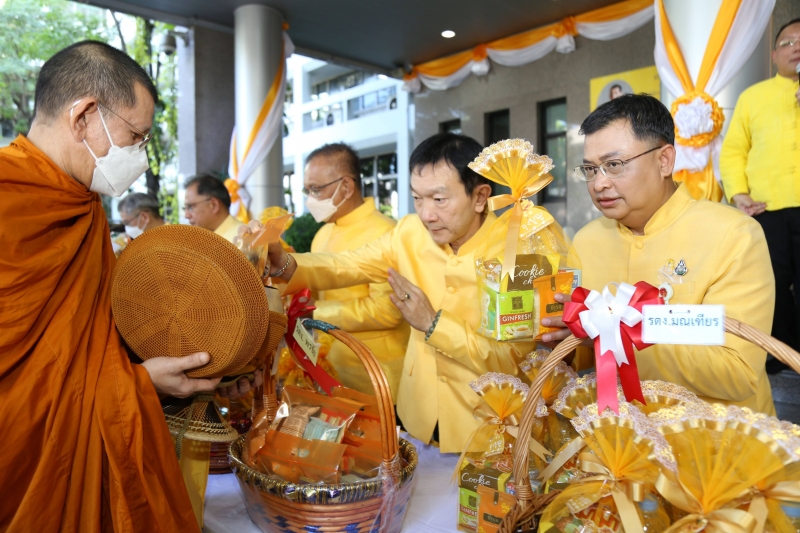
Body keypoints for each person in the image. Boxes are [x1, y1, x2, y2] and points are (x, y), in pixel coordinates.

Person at [0, 41, 215, 532]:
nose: (139, 155)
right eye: (135, 136)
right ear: (84, 116)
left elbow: (86, 342)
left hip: (77, 451)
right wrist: (138, 386)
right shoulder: (10, 198)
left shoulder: (83, 208)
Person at [261, 133, 534, 453]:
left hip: (486, 427)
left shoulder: (519, 253)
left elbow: (513, 358)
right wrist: (286, 265)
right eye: (418, 198)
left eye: (439, 199)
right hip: (416, 416)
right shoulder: (409, 233)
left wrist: (434, 324)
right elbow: (346, 266)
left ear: (480, 196)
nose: (427, 214)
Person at [545, 94, 775, 414]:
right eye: (590, 169)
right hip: (620, 447)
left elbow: (739, 372)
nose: (599, 184)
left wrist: (619, 335)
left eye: (613, 165)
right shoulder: (586, 241)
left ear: (664, 160)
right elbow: (582, 357)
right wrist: (553, 334)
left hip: (716, 445)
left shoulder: (733, 234)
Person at [720, 18, 800, 373]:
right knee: (774, 285)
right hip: (768, 207)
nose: (796, 47)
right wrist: (738, 194)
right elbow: (734, 150)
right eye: (787, 42)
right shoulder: (753, 96)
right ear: (774, 54)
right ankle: (785, 352)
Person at [302, 142, 410, 398]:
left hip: (377, 376)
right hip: (330, 369)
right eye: (307, 190)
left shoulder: (385, 232)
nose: (310, 199)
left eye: (316, 190)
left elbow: (388, 312)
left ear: (347, 187)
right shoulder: (323, 233)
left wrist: (314, 313)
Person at [184, 173, 240, 242]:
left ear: (214, 205)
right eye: (185, 208)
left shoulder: (243, 240)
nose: (186, 215)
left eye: (190, 207)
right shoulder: (205, 241)